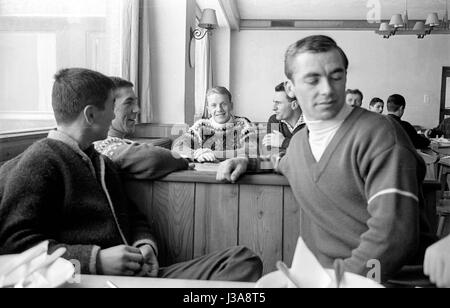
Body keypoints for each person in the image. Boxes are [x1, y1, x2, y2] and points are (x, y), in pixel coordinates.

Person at [0, 68, 262, 281]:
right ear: (91, 114)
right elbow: (15, 247)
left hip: (139, 276)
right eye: (112, 105)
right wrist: (96, 260)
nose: (118, 113)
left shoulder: (101, 162)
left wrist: (145, 246)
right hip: (87, 280)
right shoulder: (40, 162)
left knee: (242, 260)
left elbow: (133, 216)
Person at [216, 35, 436, 283]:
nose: (328, 89)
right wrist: (249, 161)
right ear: (291, 89)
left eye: (336, 76)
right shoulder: (299, 144)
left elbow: (395, 238)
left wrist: (339, 282)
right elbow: (283, 162)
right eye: (312, 79)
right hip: (328, 278)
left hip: (394, 281)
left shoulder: (381, 135)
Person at [94, 77, 189, 180]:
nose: (137, 109)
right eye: (128, 103)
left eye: (135, 102)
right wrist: (182, 161)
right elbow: (153, 158)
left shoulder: (122, 143)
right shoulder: (101, 146)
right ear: (107, 107)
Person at [172, 86, 257, 162]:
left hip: (233, 172)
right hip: (205, 173)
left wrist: (213, 154)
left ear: (231, 106)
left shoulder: (243, 124)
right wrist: (197, 154)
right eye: (213, 105)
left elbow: (251, 150)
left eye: (223, 104)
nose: (219, 109)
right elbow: (178, 147)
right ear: (208, 109)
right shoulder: (201, 125)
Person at [263, 81, 305, 152]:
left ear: (294, 105)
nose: (274, 108)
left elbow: (312, 151)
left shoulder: (311, 121)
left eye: (278, 103)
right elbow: (273, 152)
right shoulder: (274, 120)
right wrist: (295, 145)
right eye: (274, 102)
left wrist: (283, 142)